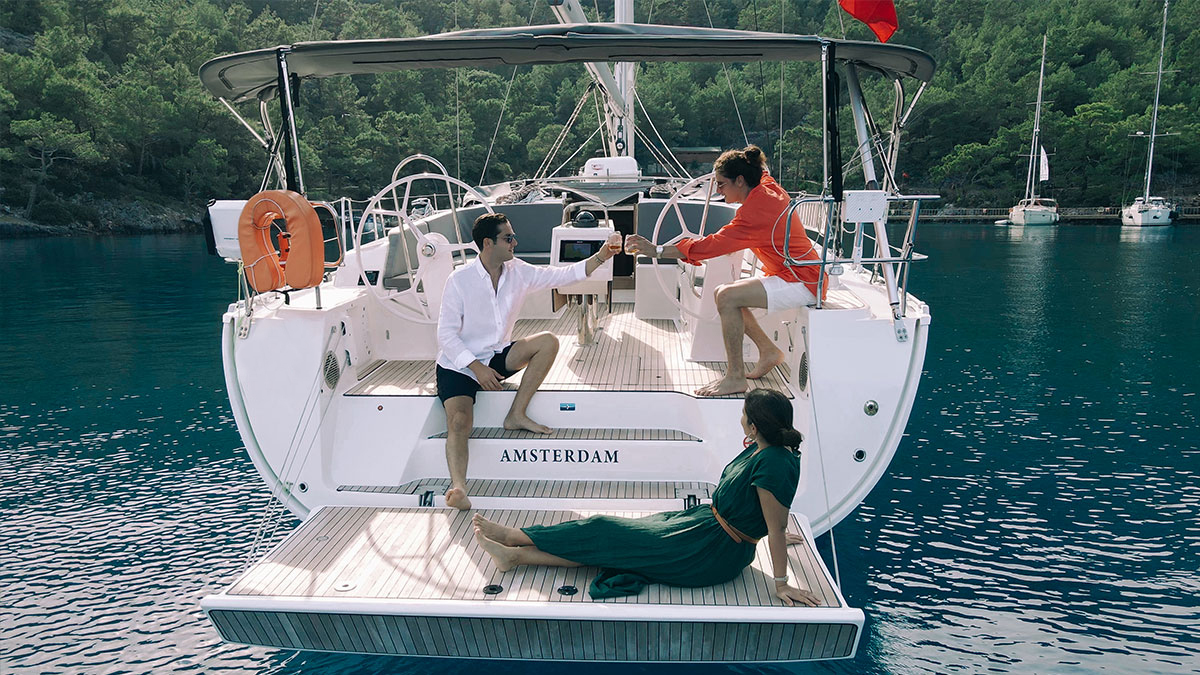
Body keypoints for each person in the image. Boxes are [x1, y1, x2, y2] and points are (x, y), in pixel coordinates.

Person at [472, 388, 820, 606]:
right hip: (702, 528)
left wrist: (781, 581)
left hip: (710, 551)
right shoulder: (766, 448)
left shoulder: (773, 462)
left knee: (603, 529)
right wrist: (767, 528)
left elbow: (775, 522)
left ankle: (514, 538)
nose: (740, 417)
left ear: (754, 426)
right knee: (615, 543)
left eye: (744, 413)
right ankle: (515, 556)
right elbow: (766, 513)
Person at [437, 212, 621, 511]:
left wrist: (602, 256)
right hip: (459, 364)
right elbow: (445, 335)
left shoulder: (518, 271)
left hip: (496, 355)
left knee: (548, 341)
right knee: (459, 421)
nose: (515, 242)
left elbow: (563, 275)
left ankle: (516, 414)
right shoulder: (459, 280)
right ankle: (459, 488)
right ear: (488, 243)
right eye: (508, 238)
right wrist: (476, 368)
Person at [624, 145, 827, 397]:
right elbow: (761, 170)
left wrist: (655, 250)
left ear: (740, 181)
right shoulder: (765, 187)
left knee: (727, 297)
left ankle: (735, 377)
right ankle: (768, 351)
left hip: (804, 281)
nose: (717, 191)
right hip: (796, 273)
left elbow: (709, 246)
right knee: (723, 292)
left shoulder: (755, 213)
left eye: (721, 184)